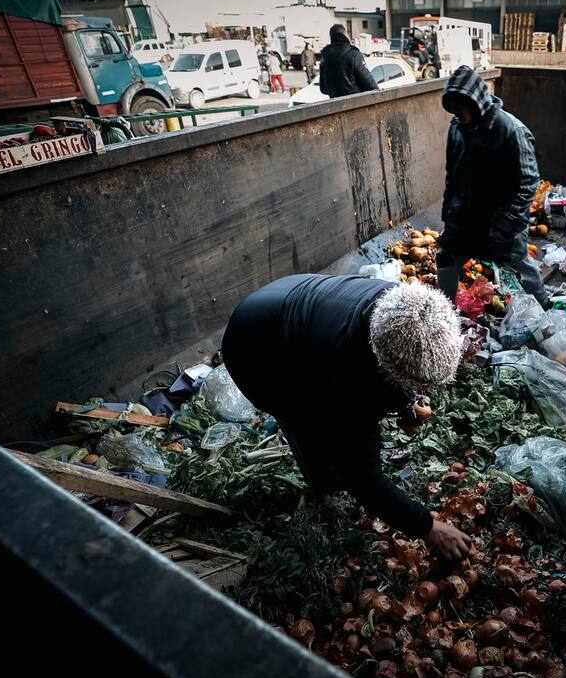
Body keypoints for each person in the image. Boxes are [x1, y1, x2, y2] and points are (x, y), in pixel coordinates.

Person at [222, 275, 472, 560]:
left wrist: (405, 402)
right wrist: (427, 527)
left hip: (293, 297)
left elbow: (401, 367)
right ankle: (320, 480)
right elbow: (364, 477)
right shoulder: (347, 374)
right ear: (385, 367)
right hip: (254, 346)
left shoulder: (407, 307)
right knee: (311, 430)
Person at [436, 66, 548, 306]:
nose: (456, 112)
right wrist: (448, 214)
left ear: (475, 102)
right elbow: (452, 175)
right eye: (452, 106)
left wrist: (504, 222)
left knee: (518, 263)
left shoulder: (511, 131)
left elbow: (528, 182)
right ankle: (443, 312)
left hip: (499, 219)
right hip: (466, 216)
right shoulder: (457, 128)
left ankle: (543, 305)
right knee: (446, 257)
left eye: (460, 105)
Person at [319, 24, 379, 98]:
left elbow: (323, 89)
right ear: (345, 35)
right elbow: (371, 85)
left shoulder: (325, 57)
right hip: (356, 104)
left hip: (335, 106)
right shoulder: (354, 54)